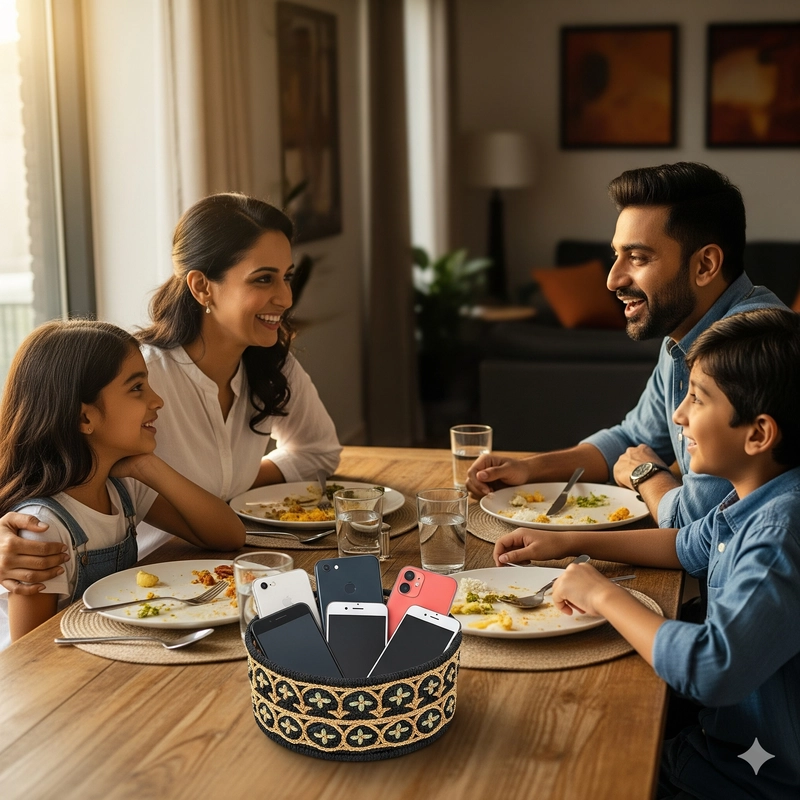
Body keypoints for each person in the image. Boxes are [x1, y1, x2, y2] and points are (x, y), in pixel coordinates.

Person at [493, 308, 800, 799]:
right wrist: (569, 542)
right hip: (721, 742)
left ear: (758, 433)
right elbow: (687, 545)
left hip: (749, 779)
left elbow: (710, 668)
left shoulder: (779, 534)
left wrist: (605, 596)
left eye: (697, 399)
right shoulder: (755, 495)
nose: (678, 416)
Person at [467, 162, 786, 530]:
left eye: (637, 258)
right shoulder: (686, 330)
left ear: (706, 265)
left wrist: (645, 473)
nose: (612, 279)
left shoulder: (747, 350)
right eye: (617, 254)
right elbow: (634, 437)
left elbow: (695, 525)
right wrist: (528, 468)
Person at [0, 320, 245, 647]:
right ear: (85, 418)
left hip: (114, 651)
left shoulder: (122, 488)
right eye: (137, 387)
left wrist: (150, 467)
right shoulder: (43, 529)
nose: (157, 401)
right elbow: (31, 652)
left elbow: (229, 535)